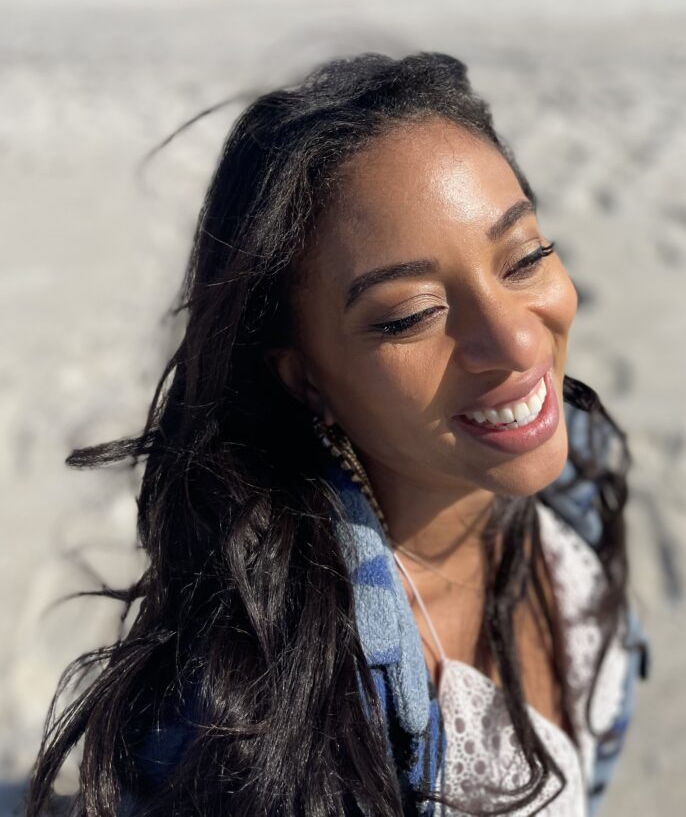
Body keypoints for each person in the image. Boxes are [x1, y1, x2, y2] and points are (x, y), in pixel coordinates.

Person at [25, 52, 649, 817]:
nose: (517, 344)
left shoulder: (574, 509)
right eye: (411, 315)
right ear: (304, 375)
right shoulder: (264, 720)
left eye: (525, 258)